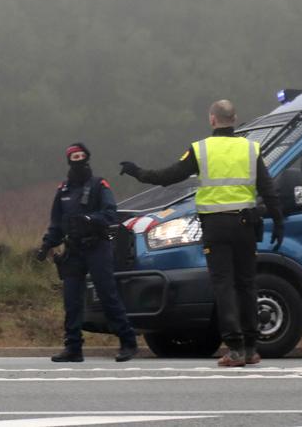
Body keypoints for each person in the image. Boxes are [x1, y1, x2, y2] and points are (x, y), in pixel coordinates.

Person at [120, 100, 284, 367]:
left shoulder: (201, 150)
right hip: (245, 225)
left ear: (212, 120)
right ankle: (252, 348)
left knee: (224, 285)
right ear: (235, 118)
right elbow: (268, 188)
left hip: (217, 227)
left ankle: (235, 348)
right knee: (247, 284)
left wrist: (138, 172)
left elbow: (168, 176)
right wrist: (278, 222)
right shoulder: (250, 149)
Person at [35, 143, 138, 363]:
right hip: (73, 250)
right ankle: (73, 348)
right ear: (68, 160)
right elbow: (56, 223)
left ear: (87, 157)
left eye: (81, 155)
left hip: (97, 247)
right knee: (71, 300)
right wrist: (46, 245)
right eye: (74, 156)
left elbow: (111, 213)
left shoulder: (99, 185)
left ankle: (128, 342)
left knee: (108, 295)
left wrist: (91, 220)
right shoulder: (63, 190)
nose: (78, 159)